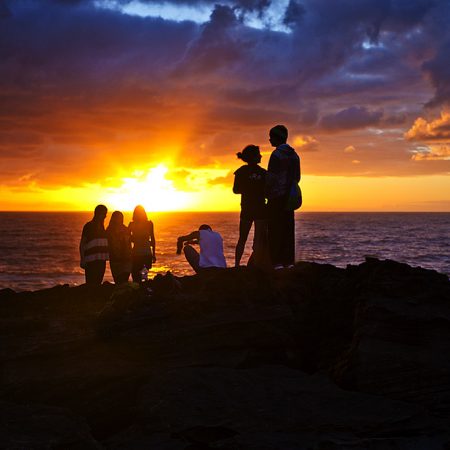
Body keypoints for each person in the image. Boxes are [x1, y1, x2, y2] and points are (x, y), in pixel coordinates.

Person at [266, 124, 300, 269]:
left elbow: (271, 178)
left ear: (277, 138)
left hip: (276, 196)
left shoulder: (276, 155)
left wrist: (267, 192)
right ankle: (289, 261)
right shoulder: (294, 155)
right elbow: (297, 177)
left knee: (275, 229)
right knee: (288, 228)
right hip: (290, 197)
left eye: (271, 137)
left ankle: (277, 262)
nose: (269, 140)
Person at [233, 144, 270, 269]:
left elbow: (236, 190)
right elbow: (268, 191)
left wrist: (248, 189)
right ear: (253, 157)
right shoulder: (263, 173)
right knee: (258, 240)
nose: (261, 156)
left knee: (242, 239)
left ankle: (237, 265)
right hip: (259, 209)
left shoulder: (241, 171)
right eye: (258, 154)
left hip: (248, 208)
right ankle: (256, 265)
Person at [79, 204, 109, 285]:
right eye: (103, 214)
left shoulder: (102, 227)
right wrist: (82, 259)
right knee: (91, 284)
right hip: (91, 260)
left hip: (101, 260)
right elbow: (82, 243)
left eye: (105, 214)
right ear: (97, 213)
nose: (105, 216)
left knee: (98, 283)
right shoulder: (88, 226)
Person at [129, 205, 156, 283]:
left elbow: (153, 239)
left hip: (143, 254)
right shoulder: (132, 224)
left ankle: (141, 292)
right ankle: (141, 292)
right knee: (139, 277)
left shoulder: (149, 224)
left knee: (139, 277)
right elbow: (127, 239)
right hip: (138, 254)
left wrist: (153, 254)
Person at [106, 211, 132, 284]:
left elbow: (129, 244)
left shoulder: (126, 229)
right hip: (115, 260)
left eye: (121, 217)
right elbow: (108, 244)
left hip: (126, 259)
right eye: (118, 218)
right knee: (118, 281)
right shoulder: (109, 230)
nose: (119, 219)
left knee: (124, 280)